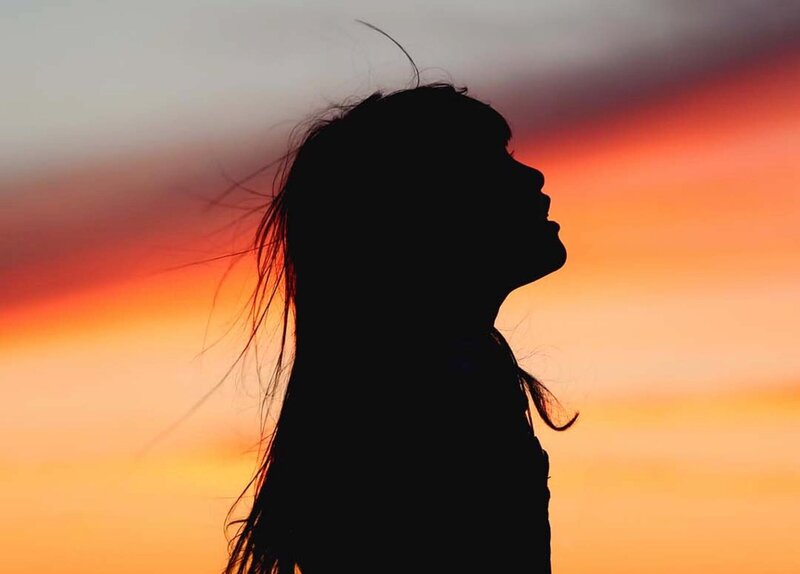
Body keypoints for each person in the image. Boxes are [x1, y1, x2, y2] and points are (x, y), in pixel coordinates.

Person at [221, 79, 579, 574]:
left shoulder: (427, 378)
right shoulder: (438, 392)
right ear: (432, 210)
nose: (532, 176)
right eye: (493, 163)